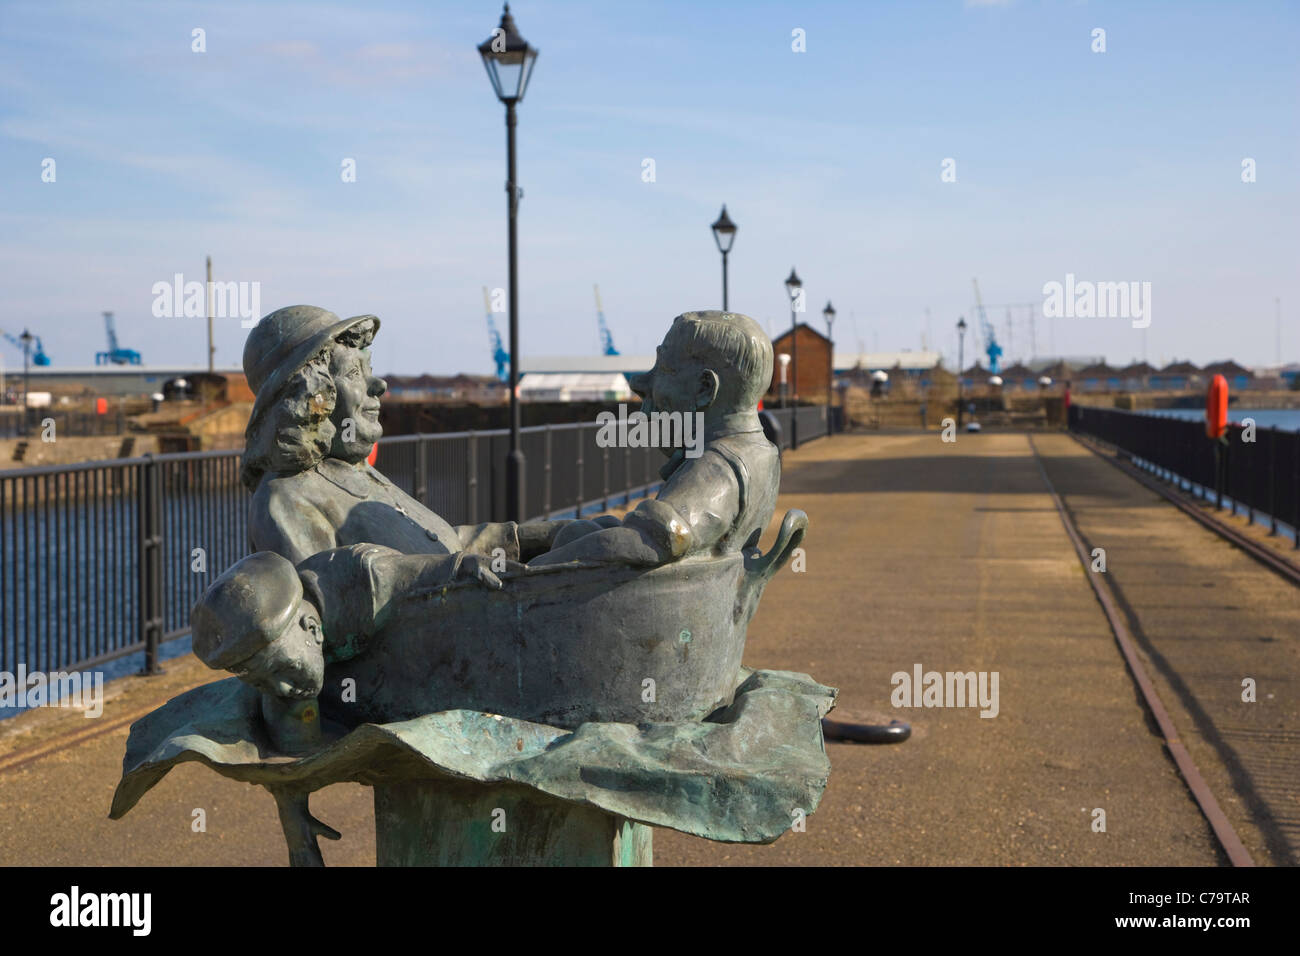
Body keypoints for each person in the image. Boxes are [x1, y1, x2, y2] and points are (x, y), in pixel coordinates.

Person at [240, 305, 566, 565]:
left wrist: (538, 537)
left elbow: (447, 546)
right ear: (311, 396)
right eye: (354, 373)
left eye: (368, 370)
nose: (378, 385)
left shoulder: (355, 471)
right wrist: (447, 576)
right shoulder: (285, 499)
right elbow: (333, 610)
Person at [531, 311, 778, 567]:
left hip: (665, 605)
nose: (638, 383)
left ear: (705, 389)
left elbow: (662, 535)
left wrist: (530, 570)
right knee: (579, 532)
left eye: (664, 368)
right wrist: (522, 537)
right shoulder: (761, 453)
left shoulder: (717, 468)